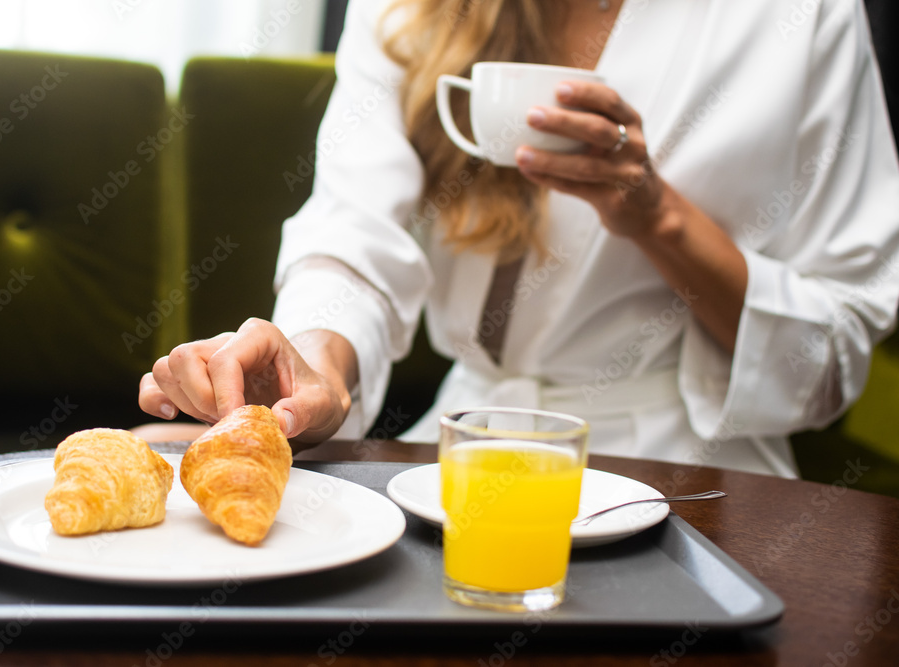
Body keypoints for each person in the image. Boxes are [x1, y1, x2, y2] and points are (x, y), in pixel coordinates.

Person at [138, 0, 899, 477]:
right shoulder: (407, 11)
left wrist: (658, 219)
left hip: (694, 479)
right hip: (462, 456)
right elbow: (354, 236)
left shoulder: (806, 17)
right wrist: (320, 372)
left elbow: (834, 353)